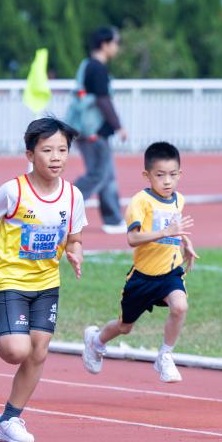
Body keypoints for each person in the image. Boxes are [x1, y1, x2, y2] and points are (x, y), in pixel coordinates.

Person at [0, 117, 87, 442]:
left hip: (47, 283)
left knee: (39, 352)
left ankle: (9, 419)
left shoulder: (73, 196)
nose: (56, 157)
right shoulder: (14, 191)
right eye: (47, 150)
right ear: (30, 155)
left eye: (62, 150)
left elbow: (75, 237)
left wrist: (75, 252)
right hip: (12, 280)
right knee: (16, 350)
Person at [82, 141, 198, 384]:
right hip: (143, 277)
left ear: (180, 174)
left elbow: (174, 227)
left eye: (172, 175)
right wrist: (166, 232)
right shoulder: (140, 202)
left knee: (180, 307)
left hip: (170, 272)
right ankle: (96, 341)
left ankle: (165, 355)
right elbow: (133, 238)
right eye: (160, 175)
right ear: (147, 175)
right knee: (125, 327)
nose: (167, 181)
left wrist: (185, 242)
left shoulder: (179, 199)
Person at [72, 26, 127, 233]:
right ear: (105, 44)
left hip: (89, 130)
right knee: (98, 175)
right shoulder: (98, 69)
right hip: (93, 131)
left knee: (107, 175)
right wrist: (118, 126)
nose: (117, 48)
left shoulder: (87, 65)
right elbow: (103, 100)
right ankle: (62, 206)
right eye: (116, 43)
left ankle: (113, 220)